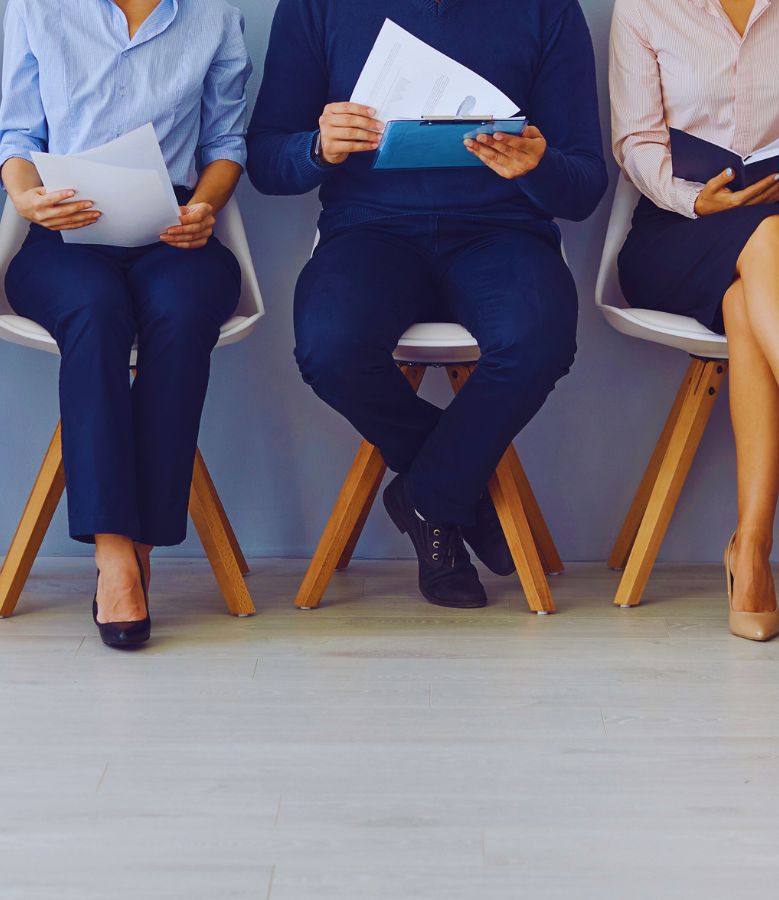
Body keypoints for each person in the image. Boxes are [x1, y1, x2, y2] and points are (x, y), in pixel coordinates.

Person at [247, 0, 606, 609]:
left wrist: (537, 166)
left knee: (538, 338)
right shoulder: (316, 7)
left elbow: (584, 184)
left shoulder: (547, 10)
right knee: (330, 345)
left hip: (503, 229)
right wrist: (317, 147)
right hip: (370, 228)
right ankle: (456, 491)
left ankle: (428, 498)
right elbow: (266, 160)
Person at [0, 0, 250, 647]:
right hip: (63, 240)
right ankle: (115, 555)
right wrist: (28, 198)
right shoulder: (36, 8)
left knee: (182, 310)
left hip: (174, 233)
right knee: (95, 310)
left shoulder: (215, 13)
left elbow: (224, 144)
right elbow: (18, 138)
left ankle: (142, 544)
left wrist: (207, 206)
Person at [610, 0, 779, 641]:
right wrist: (693, 198)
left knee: (747, 297)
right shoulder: (645, 8)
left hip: (773, 226)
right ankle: (752, 554)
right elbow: (635, 138)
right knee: (764, 241)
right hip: (678, 226)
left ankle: (752, 548)